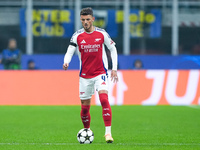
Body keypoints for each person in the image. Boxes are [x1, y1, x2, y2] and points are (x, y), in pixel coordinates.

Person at [63, 7, 118, 143]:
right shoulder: (77, 36)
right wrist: (66, 62)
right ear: (81, 20)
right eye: (83, 20)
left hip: (101, 73)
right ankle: (87, 131)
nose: (86, 22)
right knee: (85, 107)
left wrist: (114, 68)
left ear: (93, 19)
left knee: (104, 99)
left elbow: (112, 48)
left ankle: (108, 134)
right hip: (85, 76)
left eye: (88, 19)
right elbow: (70, 50)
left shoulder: (102, 34)